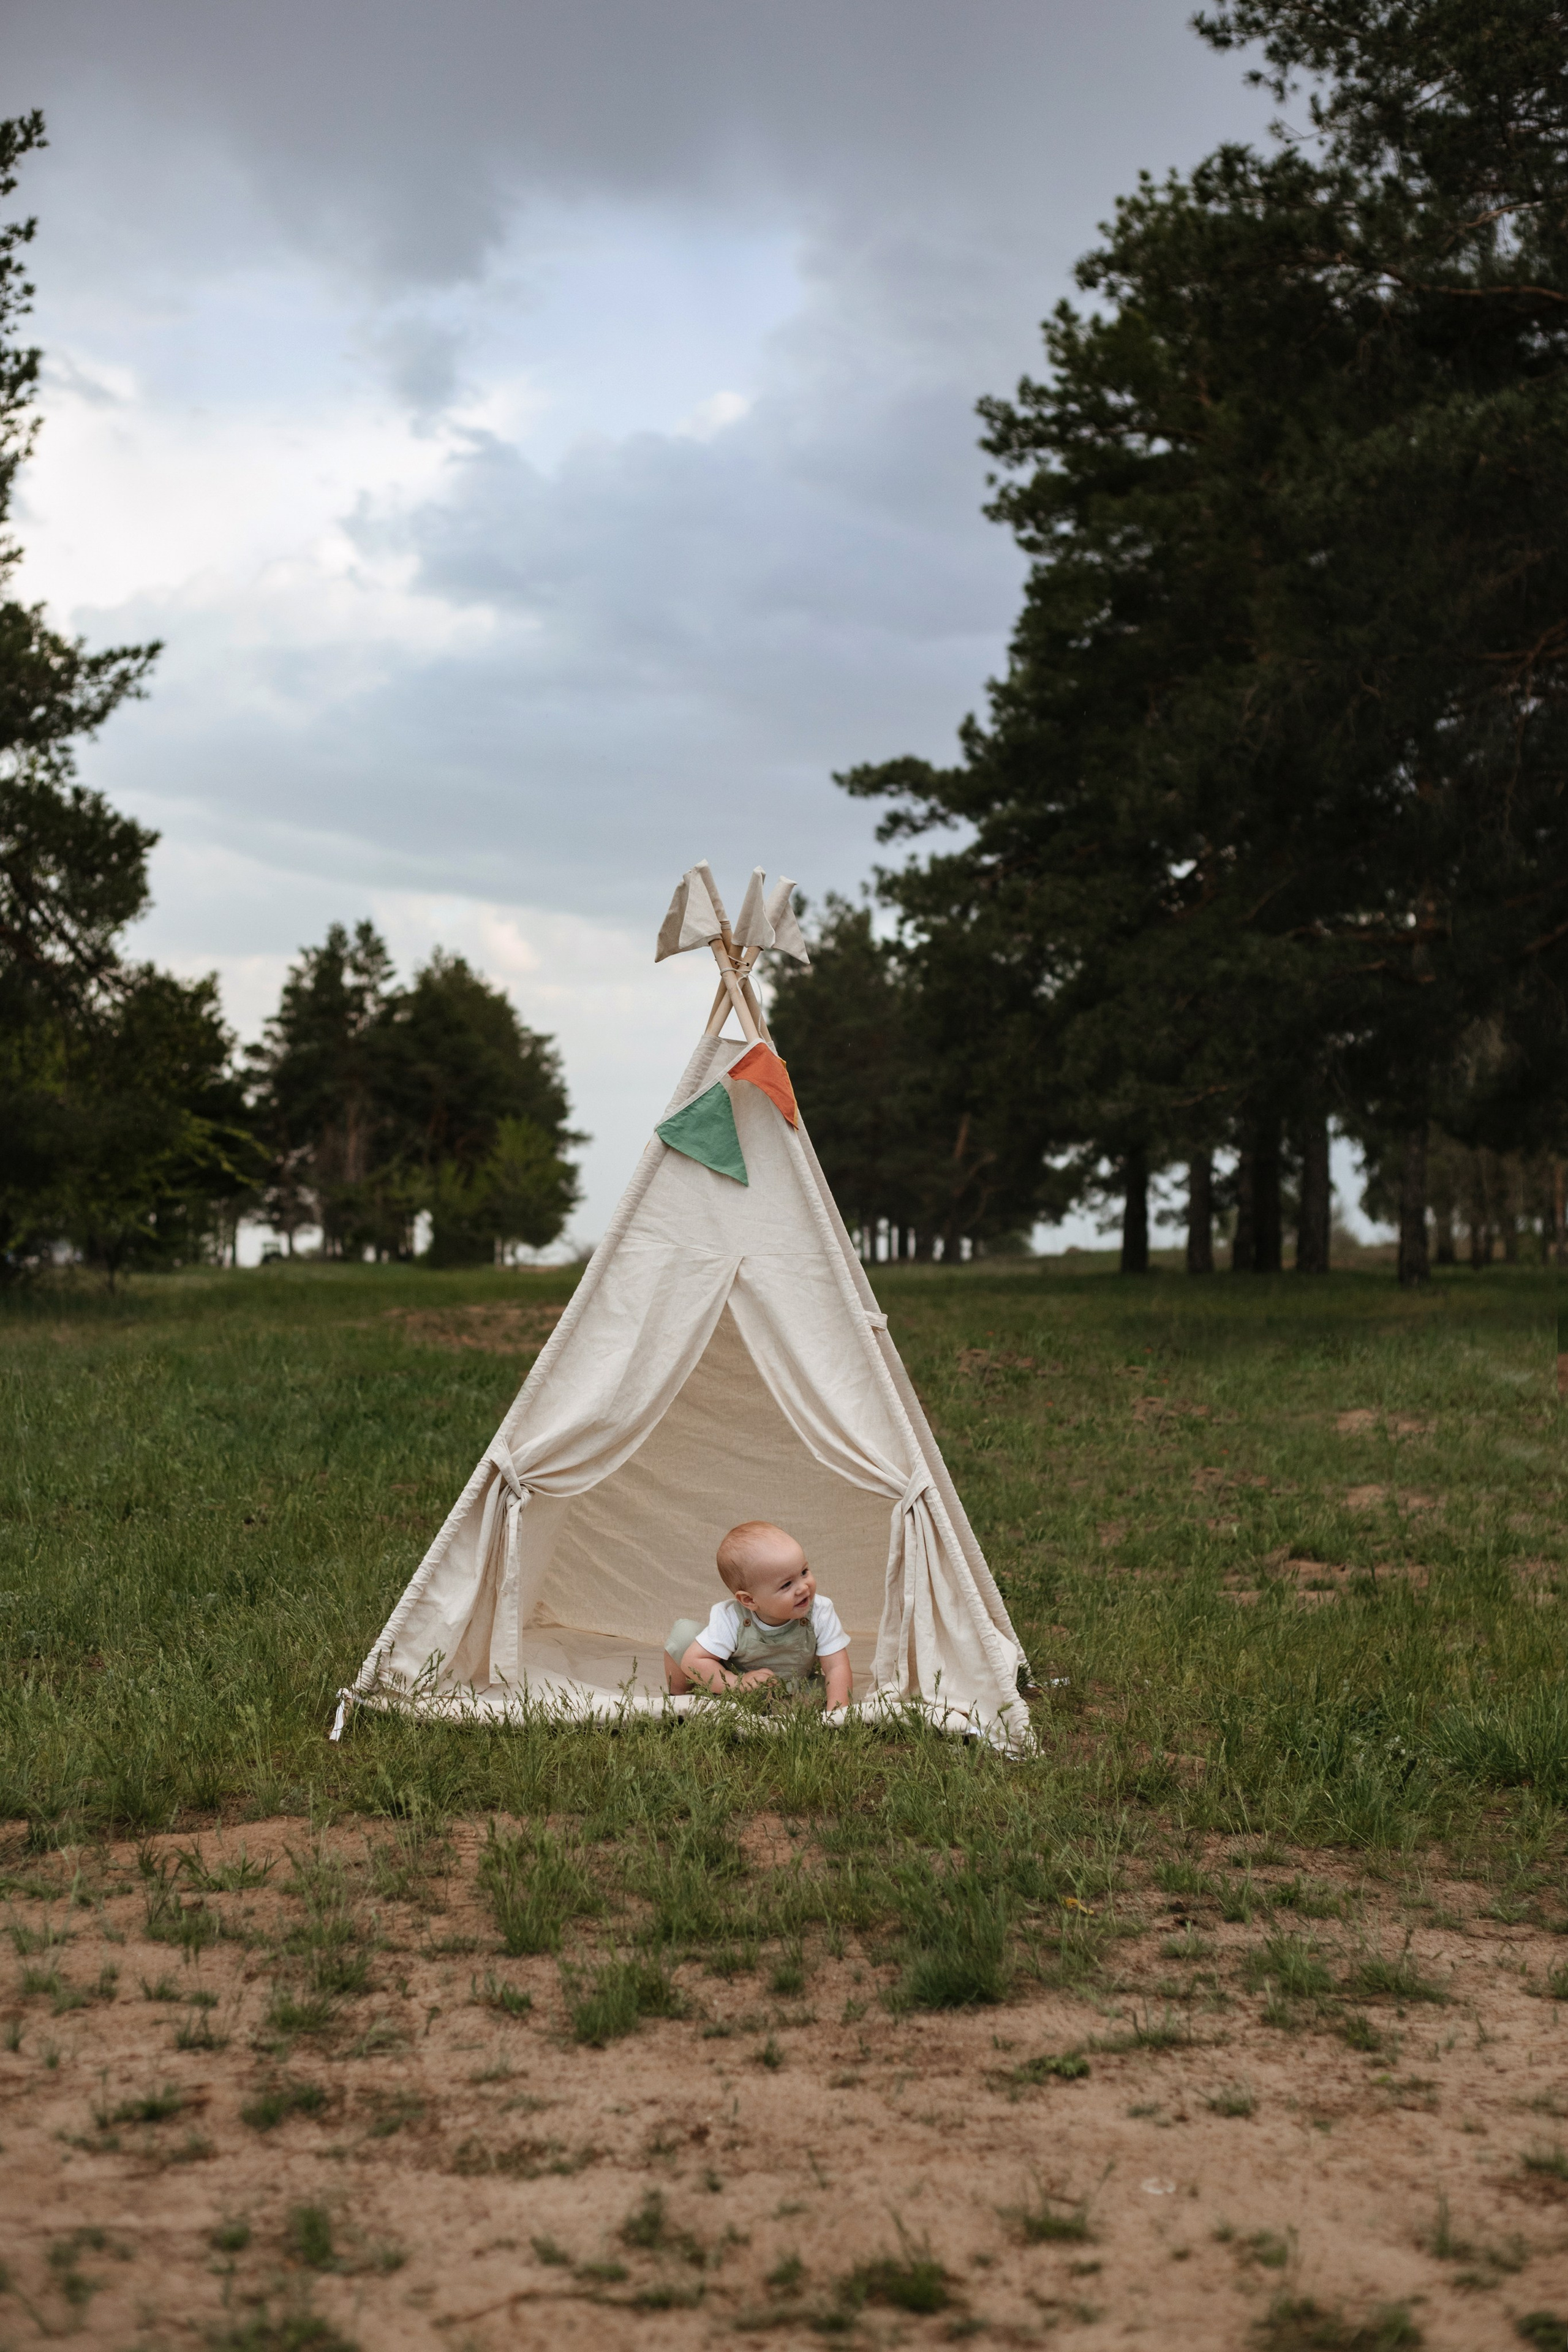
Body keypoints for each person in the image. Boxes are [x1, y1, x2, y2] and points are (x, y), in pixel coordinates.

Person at [665, 1520, 853, 1709]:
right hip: (737, 1688)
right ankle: (681, 1701)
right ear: (749, 1601)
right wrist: (738, 1684)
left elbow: (836, 1666)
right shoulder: (732, 1617)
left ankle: (780, 1709)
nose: (803, 1587)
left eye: (804, 1572)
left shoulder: (820, 1611)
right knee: (684, 1635)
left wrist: (837, 1715)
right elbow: (693, 1662)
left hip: (795, 1689)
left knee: (829, 1689)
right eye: (787, 1585)